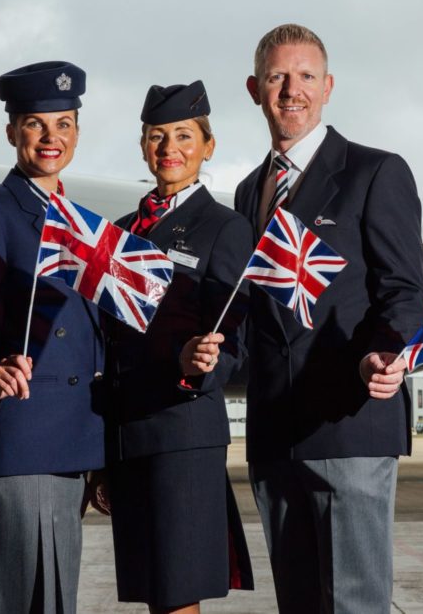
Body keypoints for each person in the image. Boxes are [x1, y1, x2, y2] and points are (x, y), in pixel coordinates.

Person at [235, 24, 423, 614]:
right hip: (275, 429)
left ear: (328, 87)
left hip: (350, 421)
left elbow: (405, 290)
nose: (292, 90)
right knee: (298, 602)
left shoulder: (375, 172)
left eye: (306, 77)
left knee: (354, 602)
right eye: (277, 77)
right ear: (255, 88)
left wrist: (387, 351)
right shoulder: (249, 191)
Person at [0, 61, 105, 614]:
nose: (51, 138)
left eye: (64, 125)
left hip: (70, 442)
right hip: (15, 429)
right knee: (12, 597)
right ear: (12, 130)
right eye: (36, 124)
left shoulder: (85, 224)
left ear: (78, 134)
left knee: (52, 597)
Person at [106, 80, 254, 614]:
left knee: (177, 595)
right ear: (143, 145)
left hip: (182, 430)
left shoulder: (225, 229)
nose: (170, 148)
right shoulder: (120, 233)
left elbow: (236, 338)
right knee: (152, 592)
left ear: (208, 146)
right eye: (157, 136)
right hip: (127, 432)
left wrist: (202, 366)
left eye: (185, 136)